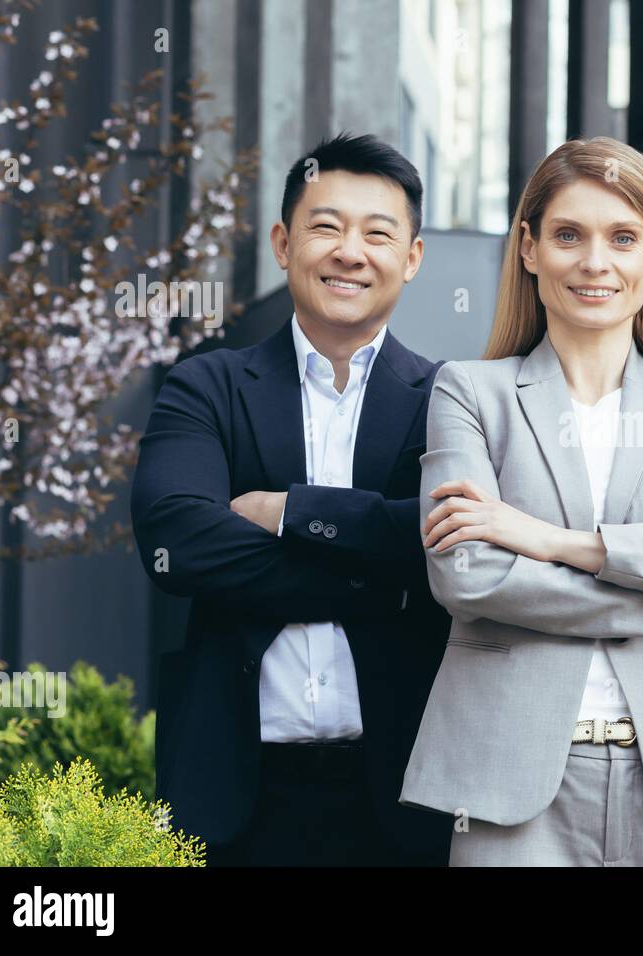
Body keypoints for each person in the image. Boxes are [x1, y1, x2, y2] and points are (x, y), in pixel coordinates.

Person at [398, 137, 643, 866]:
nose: (594, 262)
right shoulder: (469, 392)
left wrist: (549, 540)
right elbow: (466, 576)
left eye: (622, 238)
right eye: (569, 235)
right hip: (511, 789)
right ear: (528, 248)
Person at [132, 133, 452, 866]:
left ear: (412, 258)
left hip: (401, 800)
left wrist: (288, 513)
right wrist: (388, 584)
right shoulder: (206, 385)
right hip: (233, 797)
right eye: (326, 226)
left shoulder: (449, 399)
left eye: (378, 233)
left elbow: (448, 544)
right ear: (283, 242)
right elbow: (177, 542)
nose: (350, 251)